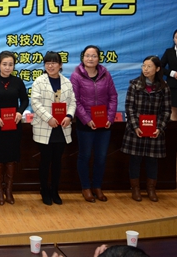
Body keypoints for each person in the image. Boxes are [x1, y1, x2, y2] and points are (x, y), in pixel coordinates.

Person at [70, 45, 118, 203]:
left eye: (94, 56)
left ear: (98, 58)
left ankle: (97, 186)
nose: (90, 58)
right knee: (84, 156)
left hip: (104, 123)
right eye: (87, 55)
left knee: (101, 157)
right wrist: (86, 119)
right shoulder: (76, 76)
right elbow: (75, 100)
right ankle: (86, 187)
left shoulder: (106, 74)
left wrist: (110, 118)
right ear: (82, 57)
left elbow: (113, 96)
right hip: (85, 124)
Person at [121, 55, 171, 202]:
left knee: (152, 160)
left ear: (157, 69)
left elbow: (166, 110)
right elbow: (129, 107)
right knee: (135, 160)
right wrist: (135, 126)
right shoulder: (134, 84)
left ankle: (151, 189)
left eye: (149, 66)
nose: (146, 69)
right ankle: (135, 189)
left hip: (155, 130)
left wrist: (159, 128)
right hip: (136, 130)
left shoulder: (164, 87)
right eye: (144, 66)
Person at [0, 51, 29, 205]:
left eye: (10, 64)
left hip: (13, 126)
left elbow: (24, 100)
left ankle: (9, 191)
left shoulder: (18, 82)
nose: (8, 67)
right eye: (4, 64)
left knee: (11, 159)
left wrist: (19, 112)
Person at [30, 51, 76, 206]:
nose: (50, 66)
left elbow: (73, 102)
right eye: (47, 63)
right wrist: (48, 118)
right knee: (45, 161)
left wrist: (69, 116)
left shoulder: (67, 82)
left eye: (54, 63)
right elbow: (35, 103)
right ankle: (44, 190)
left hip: (61, 127)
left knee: (57, 162)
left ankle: (55, 190)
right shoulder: (39, 81)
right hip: (45, 126)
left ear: (60, 65)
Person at [160, 29, 177, 121]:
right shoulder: (169, 52)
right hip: (173, 86)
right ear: (173, 39)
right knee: (173, 113)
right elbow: (160, 68)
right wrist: (172, 73)